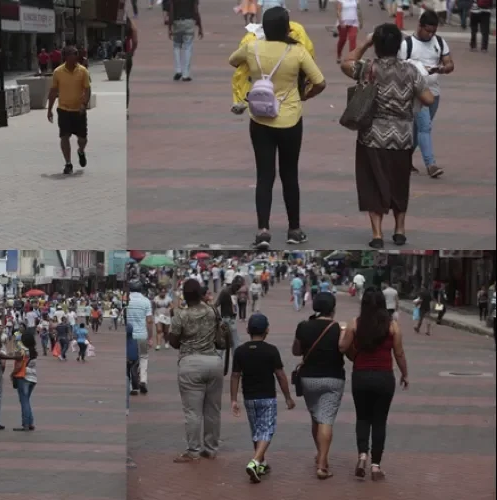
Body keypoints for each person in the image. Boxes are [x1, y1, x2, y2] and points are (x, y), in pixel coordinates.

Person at [228, 7, 326, 249]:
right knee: (289, 175)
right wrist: (304, 97)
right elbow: (320, 82)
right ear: (286, 28)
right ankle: (294, 230)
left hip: (260, 118)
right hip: (290, 118)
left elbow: (233, 60)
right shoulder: (297, 51)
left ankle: (263, 230)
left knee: (264, 175)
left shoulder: (252, 47)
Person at [340, 24, 436, 248]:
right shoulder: (411, 71)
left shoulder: (368, 68)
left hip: (371, 136)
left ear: (378, 45)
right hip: (402, 137)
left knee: (373, 183)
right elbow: (429, 99)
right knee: (400, 183)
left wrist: (365, 42)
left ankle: (377, 235)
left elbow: (346, 63)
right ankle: (400, 230)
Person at [339, 287, 409, 481]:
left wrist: (355, 356)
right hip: (384, 377)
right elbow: (399, 353)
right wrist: (405, 374)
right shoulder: (392, 325)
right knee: (379, 421)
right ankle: (376, 466)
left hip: (361, 376)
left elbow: (343, 347)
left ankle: (362, 455)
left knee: (362, 418)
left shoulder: (356, 323)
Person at [231, 312, 293, 482]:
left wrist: (234, 399)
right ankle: (255, 461)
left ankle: (261, 463)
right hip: (267, 396)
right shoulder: (271, 350)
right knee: (267, 430)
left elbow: (235, 375)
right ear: (267, 330)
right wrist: (288, 397)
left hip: (249, 397)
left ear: (248, 329)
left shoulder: (240, 351)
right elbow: (280, 375)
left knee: (256, 431)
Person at [169, 279, 226, 463]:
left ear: (185, 296)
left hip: (190, 364)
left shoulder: (181, 315)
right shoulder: (212, 311)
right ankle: (211, 448)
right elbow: (220, 339)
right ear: (201, 293)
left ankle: (193, 450)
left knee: (193, 412)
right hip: (213, 361)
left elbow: (174, 341)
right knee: (213, 410)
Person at [292, 293, 344, 479]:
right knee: (326, 419)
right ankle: (322, 464)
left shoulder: (303, 327)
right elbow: (345, 350)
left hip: (309, 378)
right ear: (332, 308)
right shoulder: (338, 328)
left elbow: (296, 351)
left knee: (316, 417)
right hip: (333, 378)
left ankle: (321, 455)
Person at [398, 11, 455, 178]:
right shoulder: (407, 45)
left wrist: (443, 69)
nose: (430, 34)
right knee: (425, 127)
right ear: (419, 26)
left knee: (418, 130)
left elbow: (449, 63)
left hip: (434, 91)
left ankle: (404, 159)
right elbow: (400, 70)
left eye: (433, 31)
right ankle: (431, 165)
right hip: (416, 93)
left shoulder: (439, 42)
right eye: (427, 31)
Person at [47, 46, 91, 175]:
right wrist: (49, 109)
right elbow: (53, 91)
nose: (75, 56)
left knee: (82, 138)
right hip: (64, 110)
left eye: (76, 54)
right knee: (64, 136)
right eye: (73, 54)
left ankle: (81, 151)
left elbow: (87, 89)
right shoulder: (58, 72)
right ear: (66, 56)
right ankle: (68, 163)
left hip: (79, 110)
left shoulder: (83, 71)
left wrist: (84, 104)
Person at [125, 279, 154, 393]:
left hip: (129, 336)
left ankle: (132, 386)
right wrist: (150, 337)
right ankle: (143, 379)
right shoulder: (146, 301)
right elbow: (149, 321)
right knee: (143, 357)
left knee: (129, 360)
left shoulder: (127, 300)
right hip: (142, 334)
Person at [167, 0, 203, 82]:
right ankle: (185, 74)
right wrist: (200, 27)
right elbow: (196, 11)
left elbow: (171, 12)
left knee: (176, 47)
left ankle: (178, 70)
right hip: (189, 23)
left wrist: (169, 28)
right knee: (188, 48)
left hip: (177, 23)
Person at [12, 330, 39, 431]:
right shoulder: (33, 352)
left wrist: (13, 374)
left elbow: (19, 365)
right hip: (33, 377)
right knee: (26, 401)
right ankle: (30, 422)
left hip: (23, 377)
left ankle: (26, 424)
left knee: (24, 401)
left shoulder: (23, 351)